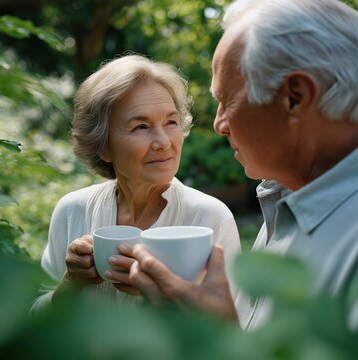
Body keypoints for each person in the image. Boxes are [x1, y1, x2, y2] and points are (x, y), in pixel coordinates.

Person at [121, 0, 358, 339]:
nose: (219, 124)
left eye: (226, 100)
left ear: (295, 97)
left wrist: (218, 339)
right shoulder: (291, 193)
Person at [33, 54, 241, 310]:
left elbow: (231, 333)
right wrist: (71, 283)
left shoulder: (209, 218)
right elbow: (36, 326)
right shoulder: (72, 210)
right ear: (103, 146)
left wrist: (160, 297)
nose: (164, 142)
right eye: (141, 127)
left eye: (171, 122)